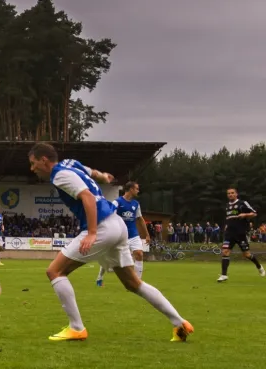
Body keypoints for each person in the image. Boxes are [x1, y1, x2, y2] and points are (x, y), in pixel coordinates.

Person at [28, 143, 193, 342]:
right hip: (118, 225)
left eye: (33, 163)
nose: (32, 168)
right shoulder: (70, 163)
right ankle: (179, 323)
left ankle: (76, 328)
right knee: (133, 283)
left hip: (103, 227)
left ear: (43, 160)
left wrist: (91, 233)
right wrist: (103, 176)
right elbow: (92, 172)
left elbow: (87, 197)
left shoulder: (59, 174)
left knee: (54, 271)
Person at [97, 181, 150, 286]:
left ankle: (137, 283)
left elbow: (140, 219)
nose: (138, 191)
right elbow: (109, 216)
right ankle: (100, 276)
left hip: (133, 234)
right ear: (130, 189)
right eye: (136, 189)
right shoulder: (117, 202)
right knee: (109, 257)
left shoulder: (136, 204)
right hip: (119, 235)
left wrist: (147, 234)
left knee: (139, 254)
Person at [217, 187, 264, 282]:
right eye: (228, 193)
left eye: (232, 193)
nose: (230, 194)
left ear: (236, 194)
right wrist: (226, 226)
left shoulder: (242, 203)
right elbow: (229, 218)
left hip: (240, 233)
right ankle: (224, 275)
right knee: (225, 251)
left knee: (247, 254)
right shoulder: (226, 206)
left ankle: (259, 267)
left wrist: (245, 215)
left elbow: (254, 213)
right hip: (229, 233)